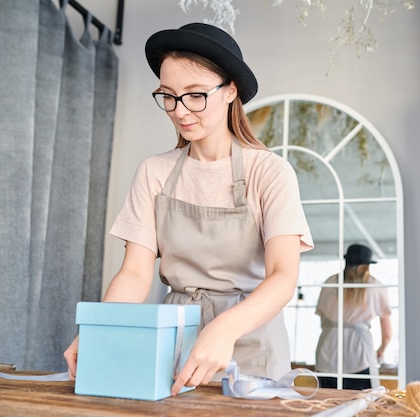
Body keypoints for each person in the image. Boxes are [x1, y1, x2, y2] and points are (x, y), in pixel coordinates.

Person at [63, 22, 313, 396]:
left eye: (195, 95)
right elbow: (134, 273)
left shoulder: (270, 172)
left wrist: (223, 328)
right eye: (168, 95)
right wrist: (102, 328)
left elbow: (282, 276)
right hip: (175, 339)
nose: (179, 111)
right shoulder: (155, 172)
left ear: (230, 92)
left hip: (251, 343)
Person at [314, 244, 391, 390]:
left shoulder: (330, 283)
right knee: (361, 406)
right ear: (367, 265)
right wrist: (381, 350)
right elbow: (387, 334)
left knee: (327, 405)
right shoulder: (376, 287)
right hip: (360, 356)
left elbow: (322, 320)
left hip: (327, 353)